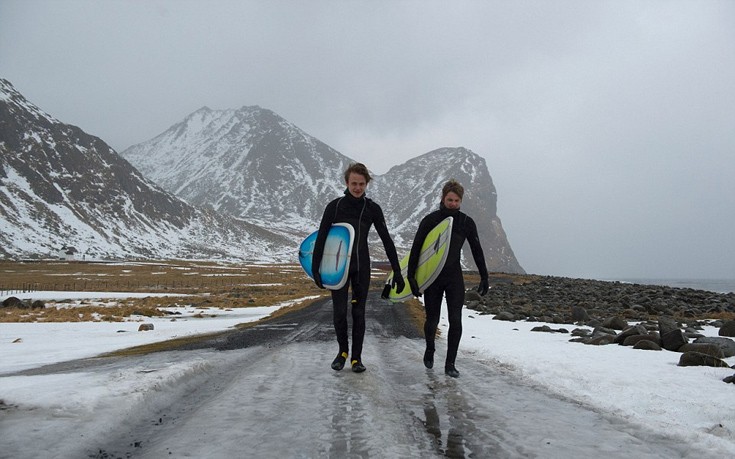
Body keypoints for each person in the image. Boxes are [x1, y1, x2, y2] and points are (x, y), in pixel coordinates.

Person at [312, 163, 405, 373]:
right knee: (339, 313)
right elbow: (321, 238)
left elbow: (387, 240)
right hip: (338, 268)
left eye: (361, 184)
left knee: (359, 312)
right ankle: (342, 352)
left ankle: (357, 358)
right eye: (353, 183)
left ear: (366, 184)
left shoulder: (372, 209)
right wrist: (316, 267)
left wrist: (397, 271)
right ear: (346, 182)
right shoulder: (334, 207)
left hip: (361, 266)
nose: (357, 188)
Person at [407, 179, 489, 378]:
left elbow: (477, 250)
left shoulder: (466, 222)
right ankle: (429, 349)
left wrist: (484, 276)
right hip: (433, 278)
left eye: (456, 200)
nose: (453, 203)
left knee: (455, 320)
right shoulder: (430, 220)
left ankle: (450, 363)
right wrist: (411, 277)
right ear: (443, 198)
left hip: (454, 277)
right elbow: (416, 249)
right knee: (432, 319)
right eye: (449, 199)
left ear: (461, 201)